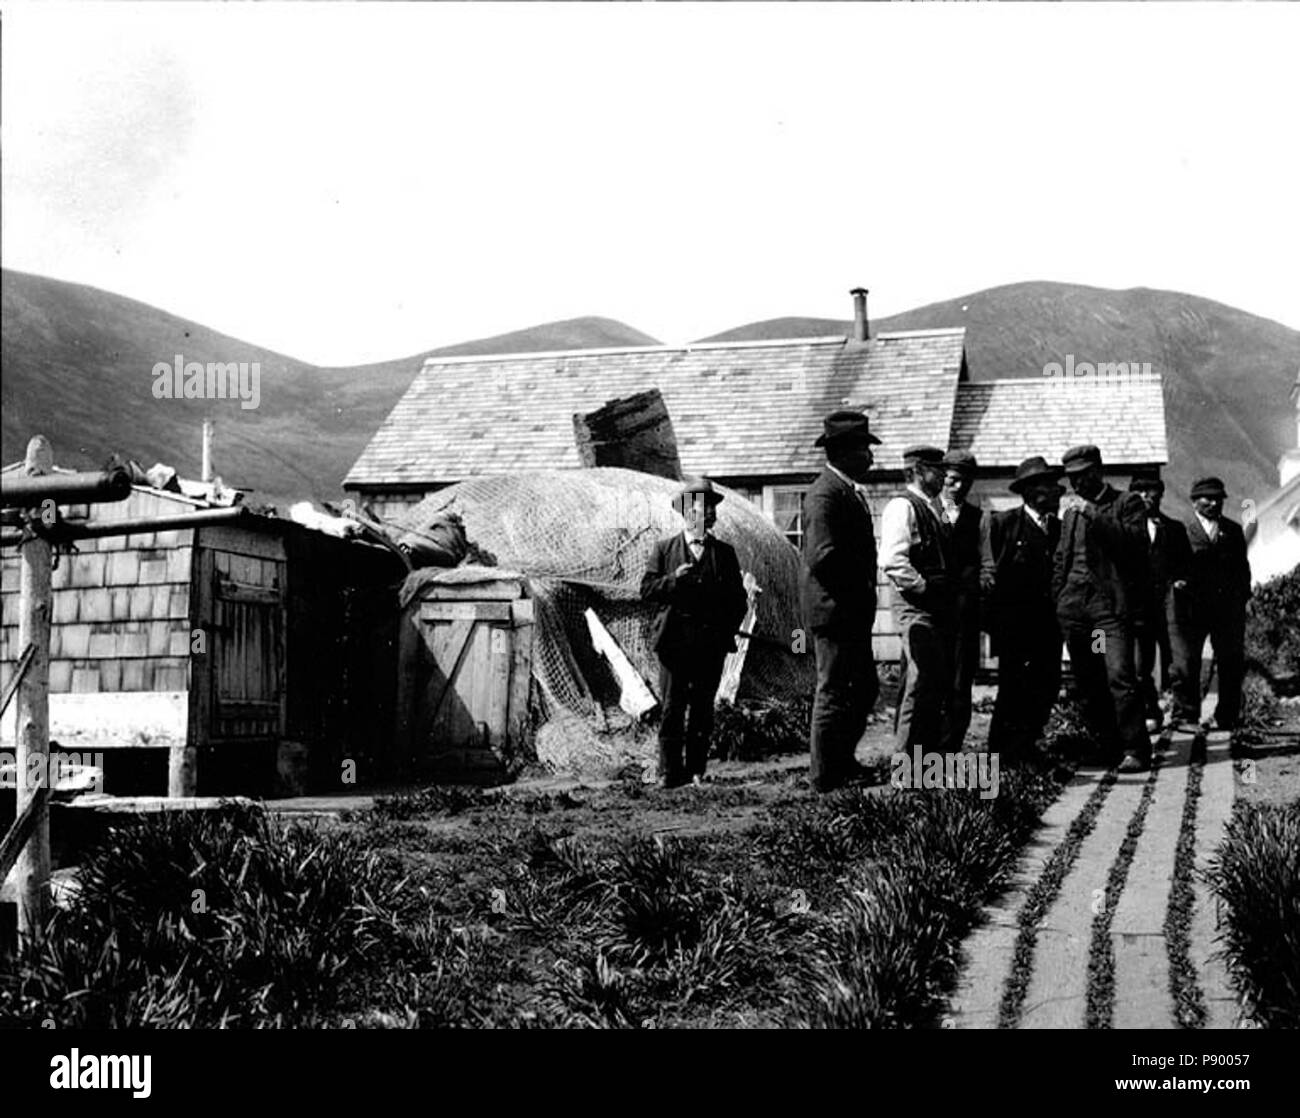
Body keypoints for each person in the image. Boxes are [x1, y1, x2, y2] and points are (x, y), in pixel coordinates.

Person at [641, 476, 748, 788]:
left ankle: (696, 770)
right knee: (673, 709)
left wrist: (723, 629)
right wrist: (673, 580)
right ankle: (668, 773)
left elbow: (738, 601)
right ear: (687, 513)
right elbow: (646, 590)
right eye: (705, 508)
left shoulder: (724, 553)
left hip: (709, 646)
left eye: (713, 509)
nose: (711, 514)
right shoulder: (664, 550)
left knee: (702, 710)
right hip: (673, 645)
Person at [1052, 445, 1152, 772]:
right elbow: (1061, 559)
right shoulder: (1070, 514)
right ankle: (1106, 746)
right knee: (1090, 679)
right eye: (1072, 478)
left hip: (1107, 611)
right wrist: (1059, 596)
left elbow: (1134, 545)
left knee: (1120, 675)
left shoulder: (1127, 503)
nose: (1078, 484)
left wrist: (1094, 514)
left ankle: (1136, 749)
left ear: (1099, 470)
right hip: (1076, 610)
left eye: (1084, 476)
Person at [800, 410, 883, 793]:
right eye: (865, 449)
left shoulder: (846, 491)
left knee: (863, 688)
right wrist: (860, 587)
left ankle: (842, 762)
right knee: (833, 690)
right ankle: (823, 776)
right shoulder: (824, 495)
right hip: (835, 613)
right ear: (844, 452)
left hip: (851, 612)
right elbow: (823, 557)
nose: (870, 457)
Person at [987, 456, 1065, 760]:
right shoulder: (1003, 525)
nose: (1055, 490)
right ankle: (1002, 752)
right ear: (1030, 491)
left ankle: (1029, 743)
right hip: (1014, 628)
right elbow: (989, 576)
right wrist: (994, 624)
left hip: (1050, 627)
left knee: (1047, 684)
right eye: (1047, 484)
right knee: (1013, 688)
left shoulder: (1059, 529)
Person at [880, 445, 956, 756]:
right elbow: (892, 561)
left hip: (936, 608)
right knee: (920, 680)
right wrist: (924, 587)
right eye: (936, 469)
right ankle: (906, 769)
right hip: (915, 607)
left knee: (931, 683)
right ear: (917, 471)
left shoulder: (936, 507)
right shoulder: (902, 506)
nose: (943, 475)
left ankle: (923, 762)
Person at [1181, 477, 1252, 731]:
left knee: (1231, 661)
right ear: (1194, 501)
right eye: (1207, 499)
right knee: (1188, 661)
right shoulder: (1183, 530)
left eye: (1218, 499)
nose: (1213, 503)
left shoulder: (1232, 531)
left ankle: (1227, 715)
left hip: (1227, 610)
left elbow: (1243, 569)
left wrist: (1242, 598)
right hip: (1193, 609)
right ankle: (1188, 715)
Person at [1128, 476, 1194, 732]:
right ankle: (1150, 711)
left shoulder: (1174, 529)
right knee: (1139, 667)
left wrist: (1181, 581)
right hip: (1138, 610)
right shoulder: (1125, 528)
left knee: (1179, 663)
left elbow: (1188, 566)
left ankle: (1183, 715)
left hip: (1170, 608)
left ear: (1161, 495)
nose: (1147, 495)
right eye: (1141, 490)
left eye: (1152, 490)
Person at [939, 450, 995, 752]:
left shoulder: (979, 518)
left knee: (961, 683)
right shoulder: (926, 512)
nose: (958, 487)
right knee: (929, 683)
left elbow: (988, 564)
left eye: (964, 482)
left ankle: (950, 748)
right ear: (942, 478)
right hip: (931, 612)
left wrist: (980, 587)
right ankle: (919, 753)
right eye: (952, 480)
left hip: (965, 614)